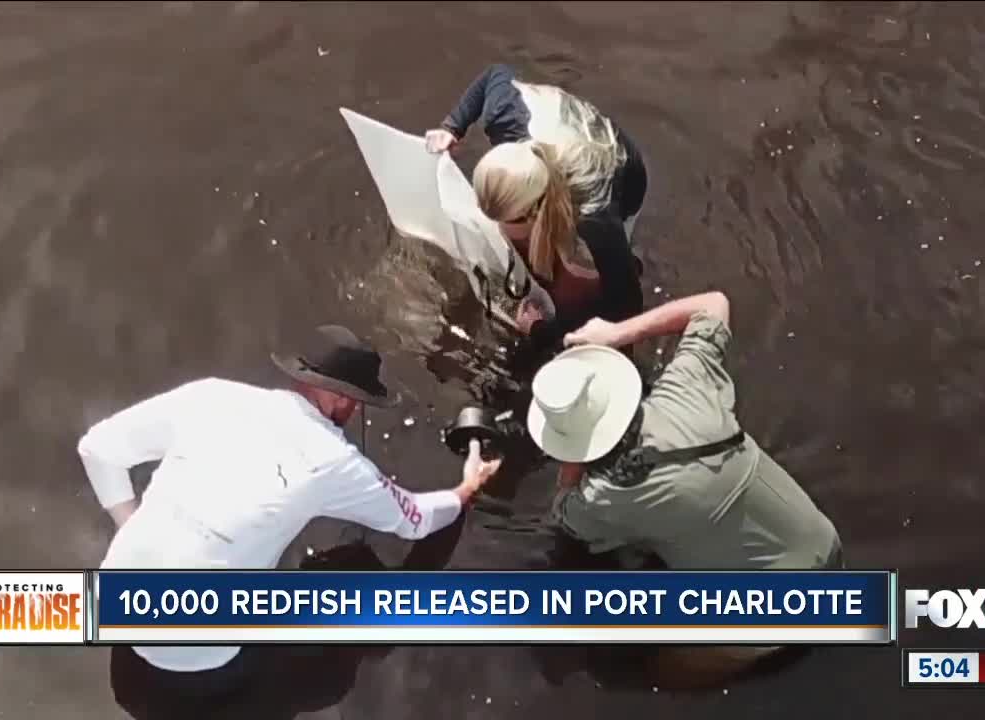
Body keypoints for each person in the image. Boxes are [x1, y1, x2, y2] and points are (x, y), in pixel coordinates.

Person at [76, 324, 503, 719]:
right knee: (323, 681)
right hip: (202, 658)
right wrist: (466, 489)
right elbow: (413, 520)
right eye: (356, 401)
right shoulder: (330, 460)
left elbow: (97, 449)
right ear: (341, 399)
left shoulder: (211, 396)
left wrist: (129, 527)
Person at [525, 291, 842, 688]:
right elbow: (714, 304)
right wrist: (615, 334)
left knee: (662, 674)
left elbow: (563, 513)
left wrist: (571, 460)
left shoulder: (602, 500)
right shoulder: (685, 388)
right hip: (825, 551)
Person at [425, 64, 646, 351]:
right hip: (561, 136)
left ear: (538, 211)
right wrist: (453, 126)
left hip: (619, 172)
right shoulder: (504, 113)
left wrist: (543, 331)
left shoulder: (595, 216)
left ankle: (619, 264)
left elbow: (627, 307)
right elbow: (493, 75)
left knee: (616, 274)